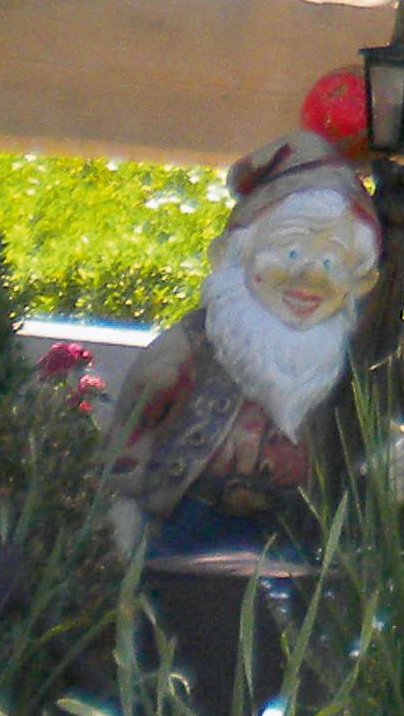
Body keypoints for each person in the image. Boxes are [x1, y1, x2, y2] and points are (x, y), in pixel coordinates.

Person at [98, 127, 384, 558]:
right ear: (234, 254)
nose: (310, 277)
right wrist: (122, 509)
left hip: (291, 535)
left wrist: (395, 458)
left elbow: (371, 437)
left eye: (332, 262)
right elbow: (131, 434)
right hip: (188, 527)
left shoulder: (340, 368)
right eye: (289, 253)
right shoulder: (189, 352)